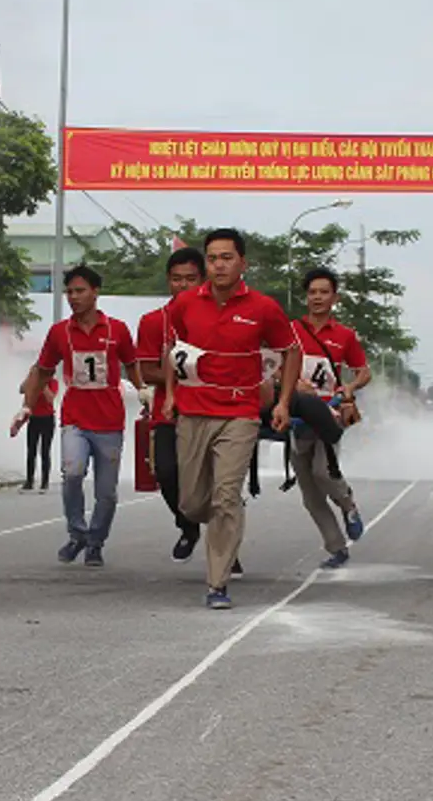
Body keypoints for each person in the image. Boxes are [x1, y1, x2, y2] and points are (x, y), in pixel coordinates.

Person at [164, 229, 299, 610]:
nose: (219, 264)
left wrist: (283, 401)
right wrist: (172, 394)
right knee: (191, 503)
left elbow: (291, 352)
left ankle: (217, 583)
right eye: (212, 258)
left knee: (225, 496)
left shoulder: (263, 308)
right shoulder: (186, 304)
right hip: (193, 412)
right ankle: (222, 514)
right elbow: (171, 350)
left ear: (243, 263)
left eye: (226, 257)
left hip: (239, 414)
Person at [21, 266, 141, 569]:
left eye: (80, 291)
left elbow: (133, 364)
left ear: (95, 292)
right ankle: (77, 532)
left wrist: (145, 391)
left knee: (107, 493)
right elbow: (42, 370)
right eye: (69, 292)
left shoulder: (118, 330)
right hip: (74, 418)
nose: (74, 297)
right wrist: (26, 406)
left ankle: (96, 542)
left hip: (110, 422)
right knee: (72, 473)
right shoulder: (59, 332)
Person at [290, 267, 369, 569]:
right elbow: (273, 364)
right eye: (312, 292)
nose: (318, 297)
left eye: (324, 292)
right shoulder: (291, 330)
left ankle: (348, 504)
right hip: (298, 415)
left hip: (329, 413)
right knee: (310, 495)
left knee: (324, 472)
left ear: (334, 297)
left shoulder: (344, 335)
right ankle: (337, 548)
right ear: (306, 296)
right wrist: (292, 383)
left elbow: (364, 370)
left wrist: (349, 386)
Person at [135, 246, 206, 560]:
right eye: (176, 279)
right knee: (165, 471)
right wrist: (186, 375)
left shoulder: (216, 319)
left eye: (190, 279)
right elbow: (147, 370)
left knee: (214, 485)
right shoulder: (153, 322)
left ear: (202, 281)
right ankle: (187, 526)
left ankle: (225, 548)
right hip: (169, 411)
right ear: (168, 282)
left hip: (210, 410)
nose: (183, 285)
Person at [17, 371, 58, 493]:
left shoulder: (52, 382)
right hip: (34, 418)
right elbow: (22, 389)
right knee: (31, 451)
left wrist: (43, 384)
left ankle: (44, 482)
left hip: (48, 419)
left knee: (45, 451)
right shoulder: (33, 382)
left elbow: (50, 398)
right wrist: (30, 377)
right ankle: (29, 481)